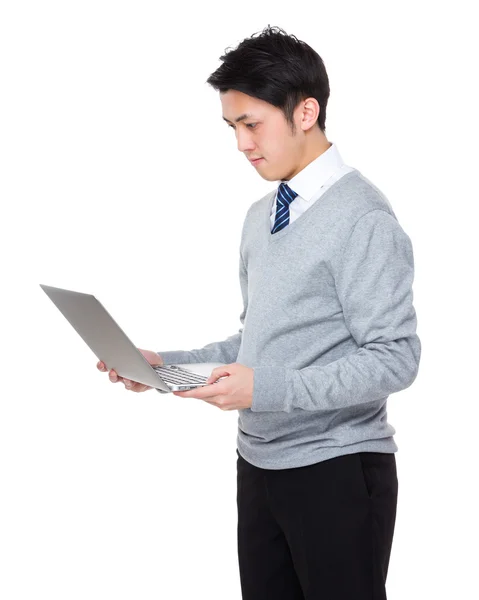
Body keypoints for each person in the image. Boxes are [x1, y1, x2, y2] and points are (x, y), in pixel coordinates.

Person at [97, 25, 421, 600]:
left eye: (252, 124)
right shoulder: (260, 215)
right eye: (233, 127)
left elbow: (395, 359)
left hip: (337, 469)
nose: (243, 144)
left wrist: (265, 388)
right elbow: (258, 340)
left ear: (305, 112)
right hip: (259, 465)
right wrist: (160, 365)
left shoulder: (363, 219)